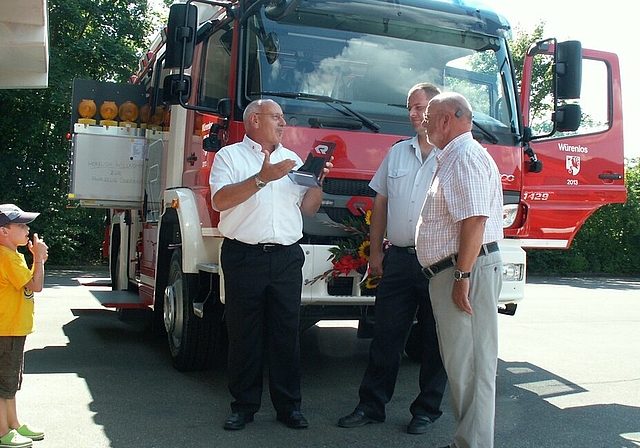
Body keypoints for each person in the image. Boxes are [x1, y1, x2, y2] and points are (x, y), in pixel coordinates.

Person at [209, 99, 330, 431]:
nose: (282, 123)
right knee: (243, 335)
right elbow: (220, 201)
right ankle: (244, 407)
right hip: (244, 256)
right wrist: (261, 179)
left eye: (282, 118)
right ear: (253, 121)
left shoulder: (292, 161)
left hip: (286, 258)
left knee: (286, 335)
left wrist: (317, 182)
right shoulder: (229, 157)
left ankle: (289, 407)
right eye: (275, 117)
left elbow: (307, 209)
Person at [337, 83, 448, 434]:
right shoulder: (398, 153)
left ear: (439, 109)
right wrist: (377, 253)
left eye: (421, 107)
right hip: (398, 260)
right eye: (410, 108)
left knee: (435, 341)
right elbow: (380, 203)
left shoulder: (455, 155)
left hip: (439, 262)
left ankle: (426, 411)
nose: (414, 114)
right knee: (386, 338)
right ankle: (371, 406)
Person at [416, 92, 503, 448]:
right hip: (461, 268)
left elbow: (475, 220)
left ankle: (473, 445)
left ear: (445, 121)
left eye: (427, 117)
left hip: (468, 269)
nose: (421, 122)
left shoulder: (464, 156)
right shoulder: (454, 155)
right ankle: (467, 441)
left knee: (472, 367)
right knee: (462, 366)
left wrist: (462, 276)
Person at [0, 204, 49, 448]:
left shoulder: (12, 255)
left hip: (12, 329)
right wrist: (38, 259)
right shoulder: (7, 256)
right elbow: (35, 285)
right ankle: (2, 432)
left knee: (10, 382)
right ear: (3, 231)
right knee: (3, 383)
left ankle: (13, 424)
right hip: (5, 330)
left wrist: (35, 259)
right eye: (20, 225)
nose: (26, 229)